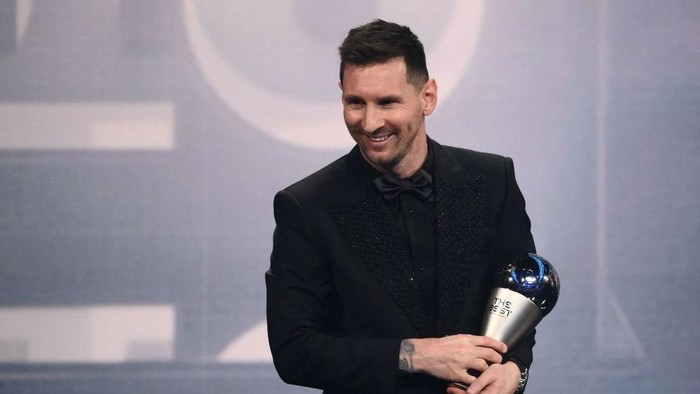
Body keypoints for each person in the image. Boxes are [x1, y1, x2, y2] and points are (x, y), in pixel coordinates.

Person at [266, 19, 536, 394]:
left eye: (387, 102)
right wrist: (417, 356)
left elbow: (517, 299)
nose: (370, 122)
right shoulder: (307, 207)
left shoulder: (492, 180)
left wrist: (514, 369)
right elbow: (295, 351)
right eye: (355, 102)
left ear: (427, 97)